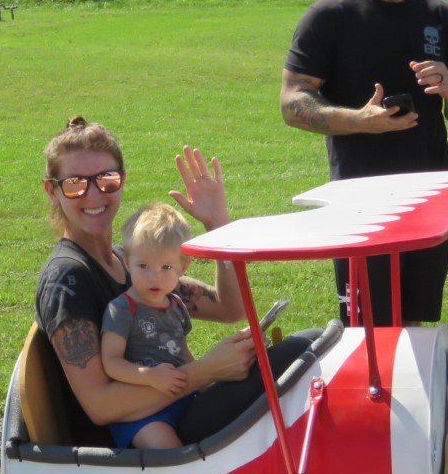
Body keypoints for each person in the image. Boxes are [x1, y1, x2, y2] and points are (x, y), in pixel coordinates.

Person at [35, 116, 312, 449]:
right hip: (139, 442)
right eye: (76, 183)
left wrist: (218, 224)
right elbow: (99, 406)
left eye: (106, 179)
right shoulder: (67, 279)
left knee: (305, 344)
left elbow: (230, 308)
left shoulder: (131, 263)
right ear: (52, 190)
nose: (94, 194)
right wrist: (207, 371)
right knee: (297, 352)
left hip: (178, 408)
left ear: (122, 180)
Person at [280, 0, 448, 325]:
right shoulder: (328, 18)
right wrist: (358, 122)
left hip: (429, 202)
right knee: (365, 331)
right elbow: (292, 101)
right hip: (358, 206)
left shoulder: (444, 18)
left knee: (415, 325)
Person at [100, 203, 197, 449]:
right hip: (141, 413)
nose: (154, 277)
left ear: (183, 267)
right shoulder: (122, 309)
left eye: (166, 267)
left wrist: (204, 382)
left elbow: (183, 353)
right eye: (143, 266)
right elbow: (111, 363)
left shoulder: (175, 305)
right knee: (170, 451)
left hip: (180, 397)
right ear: (127, 262)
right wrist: (150, 377)